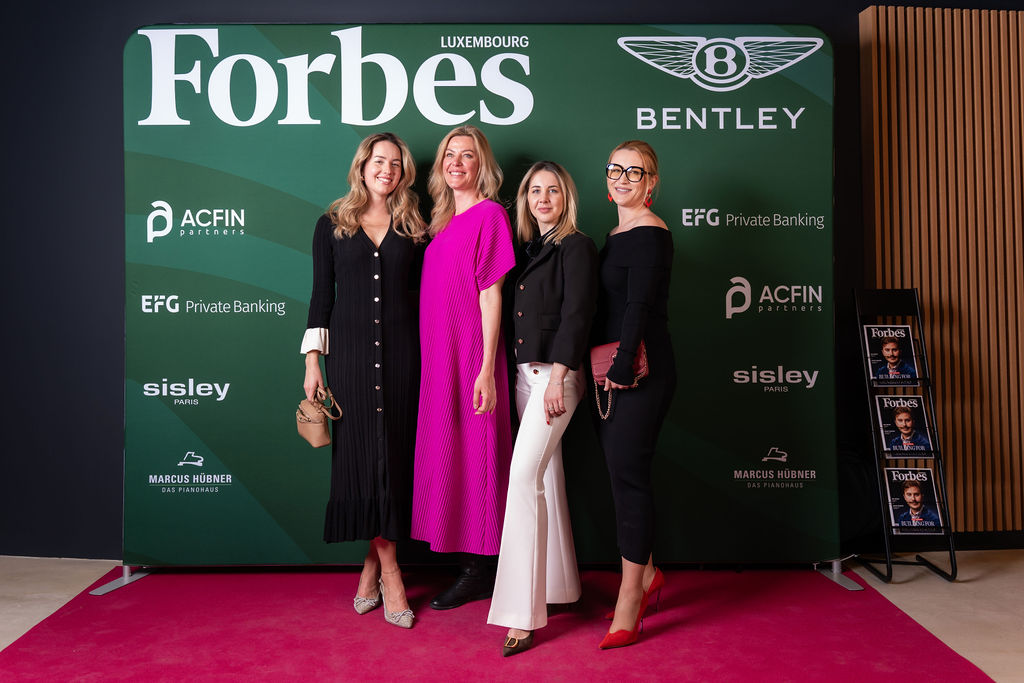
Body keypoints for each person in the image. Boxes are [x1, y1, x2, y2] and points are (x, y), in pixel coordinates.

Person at [301, 132, 424, 629]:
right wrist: (312, 362)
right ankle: (392, 574)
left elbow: (426, 296)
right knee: (359, 460)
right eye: (379, 161)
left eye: (395, 163)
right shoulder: (332, 223)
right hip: (349, 360)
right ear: (362, 165)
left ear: (403, 172)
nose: (386, 170)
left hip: (404, 358)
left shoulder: (416, 227)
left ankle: (372, 568)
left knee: (391, 458)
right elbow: (320, 297)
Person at [486, 162, 598, 656]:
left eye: (553, 190)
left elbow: (578, 312)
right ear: (526, 199)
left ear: (565, 197)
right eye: (535, 190)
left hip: (556, 379)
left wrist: (558, 375)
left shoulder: (576, 245)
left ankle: (520, 616)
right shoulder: (529, 247)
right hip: (523, 378)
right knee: (547, 476)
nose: (543, 198)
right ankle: (560, 587)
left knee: (522, 479)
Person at [412, 125, 516, 610]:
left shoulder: (490, 214)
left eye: (467, 155)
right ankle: (464, 563)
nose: (456, 162)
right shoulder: (441, 223)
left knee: (478, 452)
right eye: (449, 155)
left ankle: (481, 569)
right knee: (448, 451)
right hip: (438, 355)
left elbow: (491, 294)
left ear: (482, 165)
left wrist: (486, 368)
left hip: (472, 352)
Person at [593, 140, 676, 650]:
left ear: (651, 182)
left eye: (634, 171)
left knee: (630, 480)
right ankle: (645, 575)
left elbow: (639, 307)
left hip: (640, 372)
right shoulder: (616, 232)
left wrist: (623, 367)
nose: (622, 178)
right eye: (615, 169)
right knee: (620, 477)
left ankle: (630, 599)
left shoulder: (650, 232)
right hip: (612, 371)